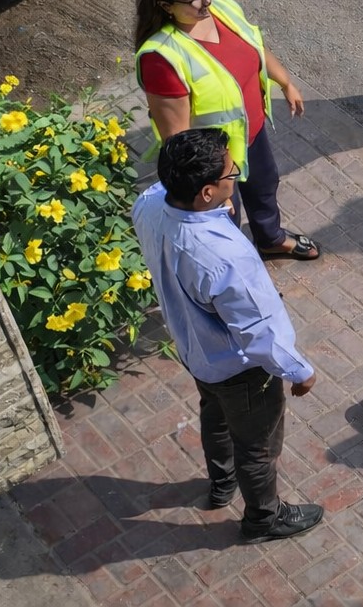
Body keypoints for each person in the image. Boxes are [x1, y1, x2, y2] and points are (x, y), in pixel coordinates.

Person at [131, 128, 324, 540]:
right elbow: (258, 332)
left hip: (195, 350)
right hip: (243, 370)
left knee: (214, 416)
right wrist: (299, 371)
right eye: (230, 174)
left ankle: (222, 484)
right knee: (257, 445)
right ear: (205, 192)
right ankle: (263, 518)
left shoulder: (149, 204)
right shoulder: (224, 257)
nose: (235, 174)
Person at [134, 0, 319, 261]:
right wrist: (212, 184)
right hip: (215, 162)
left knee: (264, 187)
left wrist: (285, 82)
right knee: (226, 221)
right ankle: (241, 269)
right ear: (166, 6)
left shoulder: (218, 6)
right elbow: (177, 139)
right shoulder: (161, 58)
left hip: (252, 133)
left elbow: (254, 44)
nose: (206, 0)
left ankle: (270, 238)